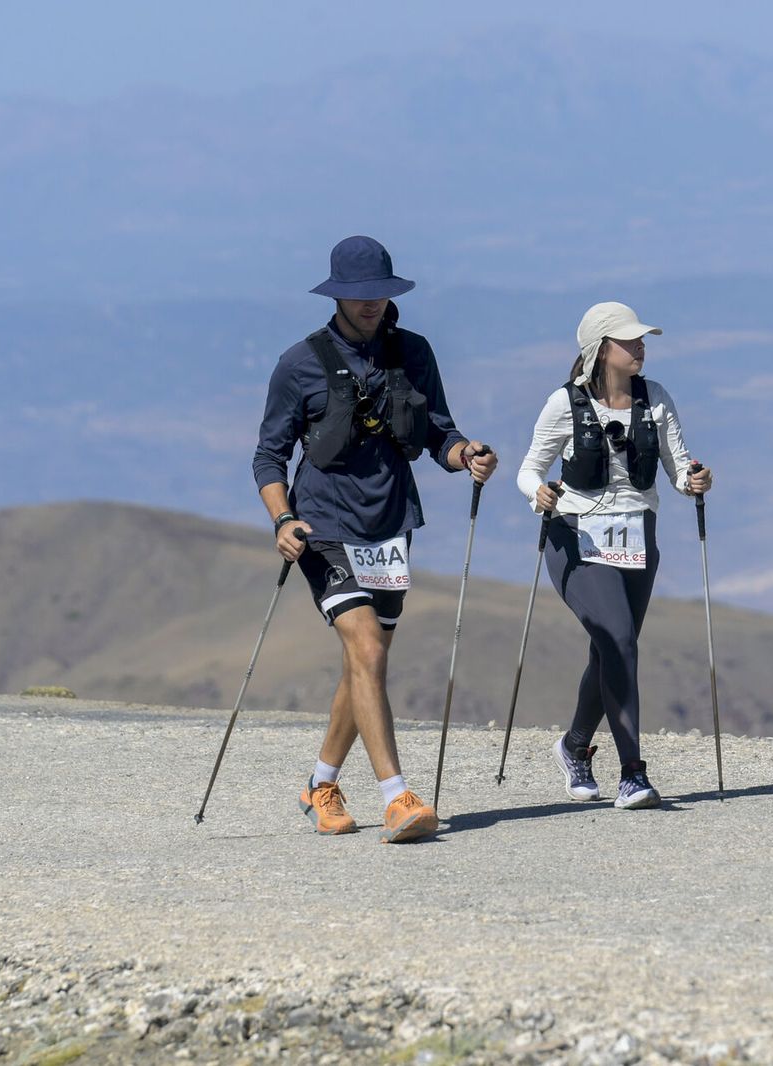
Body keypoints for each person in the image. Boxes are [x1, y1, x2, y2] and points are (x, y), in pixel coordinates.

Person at [252, 235, 497, 843]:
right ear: (337, 295)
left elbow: (439, 430)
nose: (371, 306)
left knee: (367, 660)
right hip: (324, 526)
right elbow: (268, 457)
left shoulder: (413, 352)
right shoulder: (300, 362)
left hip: (390, 525)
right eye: (360, 295)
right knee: (366, 648)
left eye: (381, 295)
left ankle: (320, 786)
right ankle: (398, 798)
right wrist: (284, 520)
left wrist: (465, 454)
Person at [515, 302, 712, 809]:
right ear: (601, 350)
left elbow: (676, 469)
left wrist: (694, 481)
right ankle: (633, 774)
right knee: (620, 640)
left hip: (637, 537)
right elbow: (528, 470)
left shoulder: (658, 398)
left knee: (611, 649)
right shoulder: (565, 403)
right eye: (629, 340)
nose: (641, 346)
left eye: (642, 339)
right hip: (575, 537)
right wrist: (538, 492)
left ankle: (574, 747)